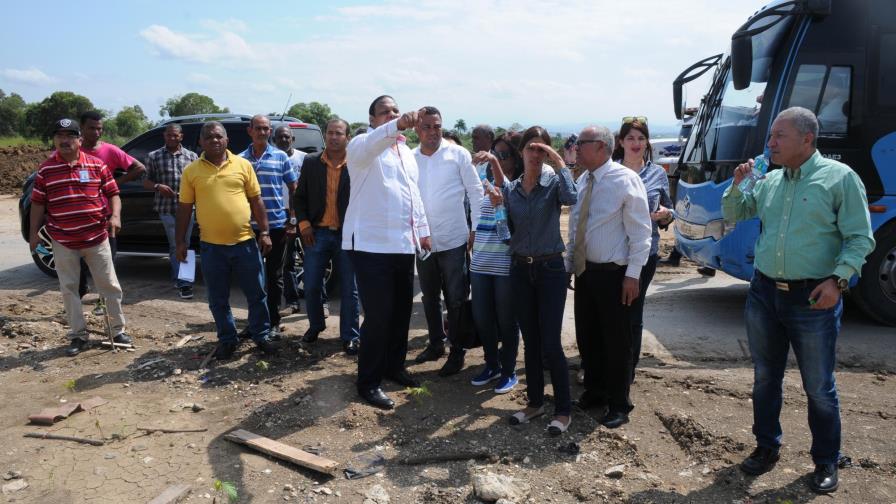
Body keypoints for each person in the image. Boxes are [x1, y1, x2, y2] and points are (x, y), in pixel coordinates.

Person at [722, 107, 874, 494]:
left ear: (807, 139)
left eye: (778, 136)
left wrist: (838, 281)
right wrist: (738, 184)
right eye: (770, 137)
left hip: (813, 298)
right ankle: (766, 447)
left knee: (818, 386)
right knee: (765, 377)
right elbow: (735, 213)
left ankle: (825, 460)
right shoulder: (771, 181)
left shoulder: (840, 179)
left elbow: (860, 238)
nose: (769, 144)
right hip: (764, 292)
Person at [343, 95, 431, 410]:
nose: (392, 115)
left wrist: (422, 232)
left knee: (400, 312)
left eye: (395, 110)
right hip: (369, 245)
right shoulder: (361, 146)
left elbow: (413, 195)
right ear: (372, 119)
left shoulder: (406, 152)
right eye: (385, 112)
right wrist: (400, 123)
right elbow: (372, 144)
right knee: (378, 316)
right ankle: (368, 382)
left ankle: (394, 367)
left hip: (402, 245)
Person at [491, 126, 576, 435]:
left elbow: (573, 197)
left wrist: (559, 161)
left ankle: (564, 410)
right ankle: (536, 402)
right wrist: (498, 208)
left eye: (542, 149)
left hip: (550, 268)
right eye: (532, 148)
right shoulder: (511, 189)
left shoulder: (553, 183)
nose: (536, 155)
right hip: (520, 270)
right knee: (530, 340)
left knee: (551, 342)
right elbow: (505, 236)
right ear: (522, 151)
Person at [567, 126, 652, 429]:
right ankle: (595, 391)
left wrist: (633, 275)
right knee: (588, 337)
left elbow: (641, 232)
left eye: (582, 143)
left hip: (615, 275)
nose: (576, 148)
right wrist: (570, 263)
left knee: (617, 342)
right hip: (586, 272)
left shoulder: (624, 180)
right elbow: (576, 226)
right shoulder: (582, 180)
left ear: (601, 147)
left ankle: (619, 403)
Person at [176, 121, 279, 360]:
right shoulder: (192, 171)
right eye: (209, 137)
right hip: (212, 247)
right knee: (218, 298)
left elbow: (256, 201)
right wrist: (180, 242)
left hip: (245, 243)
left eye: (218, 136)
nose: (214, 140)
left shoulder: (243, 165)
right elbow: (184, 208)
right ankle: (227, 339)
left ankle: (261, 335)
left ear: (226, 140)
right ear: (201, 142)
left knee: (256, 294)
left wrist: (264, 232)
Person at [29, 119, 131, 356]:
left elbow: (113, 194)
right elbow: (37, 204)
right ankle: (78, 336)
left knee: (109, 286)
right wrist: (34, 234)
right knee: (69, 289)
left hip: (97, 238)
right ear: (54, 140)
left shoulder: (97, 165)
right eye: (59, 136)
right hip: (63, 241)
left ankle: (117, 331)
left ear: (80, 140)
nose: (64, 140)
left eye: (70, 136)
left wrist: (115, 216)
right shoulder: (45, 170)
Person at [412, 107, 483, 376]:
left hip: (454, 239)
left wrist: (475, 228)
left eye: (437, 126)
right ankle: (435, 344)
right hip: (424, 242)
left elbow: (476, 193)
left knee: (456, 298)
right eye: (427, 127)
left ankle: (457, 350)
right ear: (417, 130)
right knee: (430, 297)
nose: (433, 132)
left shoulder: (458, 154)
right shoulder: (410, 158)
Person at [611, 118, 674, 382]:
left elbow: (670, 211)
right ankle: (604, 363)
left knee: (633, 314)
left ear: (647, 142)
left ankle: (627, 368)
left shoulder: (657, 173)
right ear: (621, 142)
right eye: (630, 138)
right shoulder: (610, 171)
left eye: (641, 138)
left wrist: (665, 215)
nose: (636, 143)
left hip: (645, 254)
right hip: (612, 254)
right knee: (611, 314)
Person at [295, 118, 361, 355]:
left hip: (347, 235)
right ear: (325, 136)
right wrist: (304, 225)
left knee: (349, 289)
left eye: (339, 133)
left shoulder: (357, 164)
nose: (334, 137)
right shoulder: (311, 162)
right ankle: (315, 325)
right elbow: (299, 197)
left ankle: (350, 336)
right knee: (311, 285)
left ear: (348, 137)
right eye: (330, 133)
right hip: (317, 234)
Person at [468, 133, 524, 393]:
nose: (498, 159)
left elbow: (504, 186)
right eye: (496, 153)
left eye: (504, 155)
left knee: (506, 320)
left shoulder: (518, 187)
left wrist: (492, 160)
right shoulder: (487, 184)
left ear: (515, 158)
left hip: (503, 265)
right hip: (480, 263)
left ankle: (509, 369)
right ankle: (491, 364)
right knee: (483, 318)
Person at [239, 115, 299, 338]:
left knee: (274, 277)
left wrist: (292, 219)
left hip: (276, 226)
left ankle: (273, 322)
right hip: (247, 227)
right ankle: (254, 322)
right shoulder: (240, 159)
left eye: (266, 129)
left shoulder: (281, 156)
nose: (262, 132)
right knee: (251, 277)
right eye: (259, 128)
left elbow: (294, 188)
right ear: (250, 131)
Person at [77, 111, 146, 298]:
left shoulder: (110, 150)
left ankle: (104, 299)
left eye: (99, 129)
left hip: (105, 215)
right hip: (77, 216)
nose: (96, 132)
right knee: (78, 260)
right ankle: (81, 290)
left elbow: (139, 168)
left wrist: (114, 184)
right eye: (91, 128)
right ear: (81, 128)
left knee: (107, 261)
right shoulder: (72, 152)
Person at [143, 123, 199, 299]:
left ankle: (180, 277)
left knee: (185, 242)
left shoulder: (192, 156)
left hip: (188, 207)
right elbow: (145, 181)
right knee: (176, 243)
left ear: (181, 136)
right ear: (164, 136)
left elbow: (198, 181)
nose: (172, 138)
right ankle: (184, 282)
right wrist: (158, 186)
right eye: (169, 135)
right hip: (166, 208)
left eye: (176, 135)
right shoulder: (154, 156)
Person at [272, 125, 306, 315]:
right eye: (279, 138)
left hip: (303, 214)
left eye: (287, 137)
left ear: (292, 139)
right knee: (287, 261)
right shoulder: (272, 159)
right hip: (281, 215)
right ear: (274, 140)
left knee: (314, 259)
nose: (283, 140)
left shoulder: (303, 158)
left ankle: (320, 303)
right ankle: (293, 302)